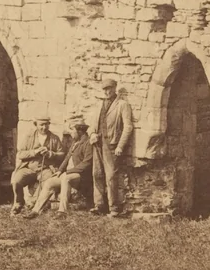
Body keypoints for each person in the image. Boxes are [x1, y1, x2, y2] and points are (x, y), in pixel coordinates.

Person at [26, 118, 94, 216]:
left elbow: (87, 163)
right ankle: (36, 210)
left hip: (82, 176)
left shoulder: (88, 143)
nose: (70, 133)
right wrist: (60, 170)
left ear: (80, 130)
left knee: (66, 179)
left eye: (72, 130)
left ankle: (62, 211)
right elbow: (67, 158)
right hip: (70, 174)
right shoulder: (75, 142)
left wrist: (69, 172)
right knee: (49, 182)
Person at [91, 79, 134, 217]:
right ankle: (99, 205)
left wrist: (120, 145)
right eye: (104, 89)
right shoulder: (99, 104)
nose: (106, 91)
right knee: (97, 174)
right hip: (98, 144)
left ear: (115, 88)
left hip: (112, 145)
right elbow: (92, 124)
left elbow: (128, 127)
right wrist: (92, 134)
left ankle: (114, 208)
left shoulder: (122, 105)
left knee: (111, 176)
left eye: (109, 88)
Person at [10, 115, 62, 214]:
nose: (44, 127)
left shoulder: (54, 138)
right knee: (16, 180)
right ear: (36, 125)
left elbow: (62, 154)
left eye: (46, 124)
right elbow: (20, 154)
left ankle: (34, 203)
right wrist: (34, 152)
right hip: (29, 168)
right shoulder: (29, 137)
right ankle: (18, 203)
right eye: (41, 125)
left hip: (46, 169)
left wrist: (50, 154)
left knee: (48, 182)